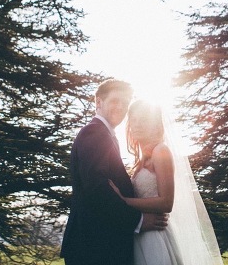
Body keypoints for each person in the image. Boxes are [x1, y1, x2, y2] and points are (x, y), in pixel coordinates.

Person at [60, 79, 168, 265]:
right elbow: (97, 190)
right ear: (98, 102)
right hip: (94, 248)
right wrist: (140, 221)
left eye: (125, 103)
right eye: (115, 101)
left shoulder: (105, 135)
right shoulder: (95, 133)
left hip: (101, 247)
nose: (121, 107)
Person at [111, 99, 224, 265]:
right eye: (133, 120)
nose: (136, 125)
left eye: (142, 120)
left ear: (154, 123)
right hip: (141, 234)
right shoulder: (141, 159)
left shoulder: (161, 151)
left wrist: (124, 201)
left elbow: (166, 202)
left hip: (156, 237)